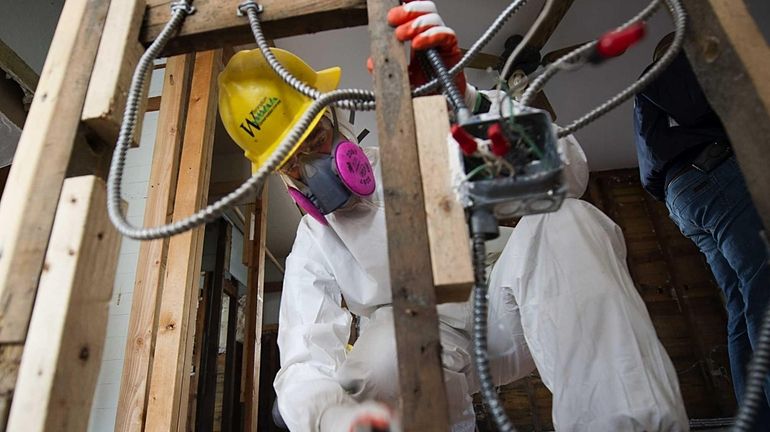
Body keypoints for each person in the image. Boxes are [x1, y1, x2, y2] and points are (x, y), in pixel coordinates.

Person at [219, 2, 689, 430]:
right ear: (278, 174)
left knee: (568, 221)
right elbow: (303, 361)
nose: (312, 169)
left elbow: (565, 172)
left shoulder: (422, 149)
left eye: (315, 139)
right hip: (411, 340)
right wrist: (328, 418)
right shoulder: (314, 240)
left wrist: (466, 107)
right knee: (368, 369)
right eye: (291, 161)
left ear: (336, 118)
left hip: (503, 307)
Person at [633, 34, 770, 426]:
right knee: (763, 291)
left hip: (688, 197)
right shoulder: (667, 71)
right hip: (712, 177)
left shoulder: (652, 98)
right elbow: (702, 105)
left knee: (743, 305)